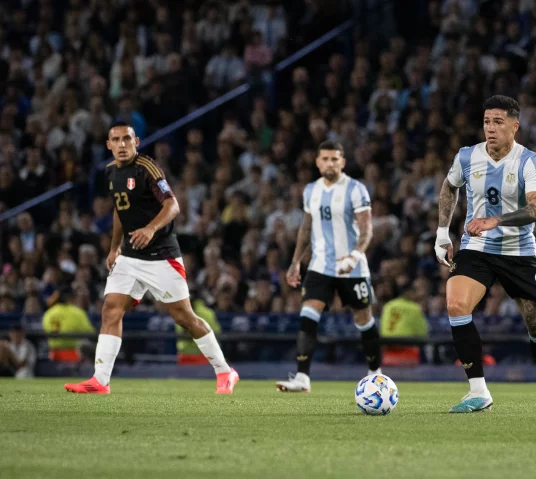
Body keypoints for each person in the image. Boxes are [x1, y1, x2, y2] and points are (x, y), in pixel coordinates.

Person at [65, 121, 238, 394]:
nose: (122, 145)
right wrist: (114, 248)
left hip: (161, 255)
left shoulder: (147, 169)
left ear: (137, 142)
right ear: (108, 145)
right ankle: (100, 380)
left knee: (184, 317)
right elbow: (119, 211)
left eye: (127, 139)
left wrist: (150, 228)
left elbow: (173, 205)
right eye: (116, 140)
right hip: (131, 256)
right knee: (111, 308)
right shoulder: (111, 172)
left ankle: (225, 371)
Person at [434, 95, 536, 413]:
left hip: (518, 251)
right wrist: (443, 233)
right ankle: (478, 392)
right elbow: (449, 186)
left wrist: (496, 220)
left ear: (514, 126)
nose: (490, 128)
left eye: (498, 122)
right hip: (477, 249)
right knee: (455, 303)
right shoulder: (467, 157)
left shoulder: (528, 161)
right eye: (486, 122)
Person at [276, 140, 381, 392]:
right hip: (320, 265)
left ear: (342, 162)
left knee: (363, 319)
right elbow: (306, 228)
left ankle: (376, 373)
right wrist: (295, 262)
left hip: (351, 266)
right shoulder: (310, 190)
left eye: (335, 159)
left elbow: (366, 228)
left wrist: (355, 256)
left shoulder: (356, 189)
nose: (330, 163)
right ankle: (302, 377)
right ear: (317, 161)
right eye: (325, 158)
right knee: (307, 316)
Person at [380, 279, 429, 367]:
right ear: (408, 293)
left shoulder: (388, 306)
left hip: (387, 355)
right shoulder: (414, 308)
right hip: (407, 355)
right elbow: (422, 333)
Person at [43, 286, 95, 363]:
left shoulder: (49, 313)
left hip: (54, 355)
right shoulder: (78, 312)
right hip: (75, 354)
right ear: (70, 298)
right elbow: (90, 332)